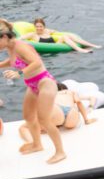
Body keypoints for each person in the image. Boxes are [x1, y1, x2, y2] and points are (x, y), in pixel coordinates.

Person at [0, 19, 65, 164]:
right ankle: (37, 144)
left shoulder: (20, 46)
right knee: (28, 116)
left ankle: (60, 152)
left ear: (4, 37)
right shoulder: (10, 48)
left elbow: (37, 62)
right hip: (32, 84)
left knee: (44, 120)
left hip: (45, 83)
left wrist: (19, 73)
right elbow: (11, 62)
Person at [18, 81, 97, 142]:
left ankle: (31, 142)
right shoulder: (71, 92)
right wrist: (86, 120)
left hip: (56, 112)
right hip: (72, 116)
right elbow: (79, 102)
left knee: (23, 127)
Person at [19, 18, 100, 53]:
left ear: (44, 26)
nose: (39, 28)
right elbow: (21, 38)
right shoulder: (33, 35)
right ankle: (79, 50)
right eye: (37, 26)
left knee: (68, 35)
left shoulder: (47, 31)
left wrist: (55, 32)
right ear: (34, 27)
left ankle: (92, 45)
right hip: (49, 48)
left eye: (40, 26)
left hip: (56, 45)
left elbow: (57, 32)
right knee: (65, 37)